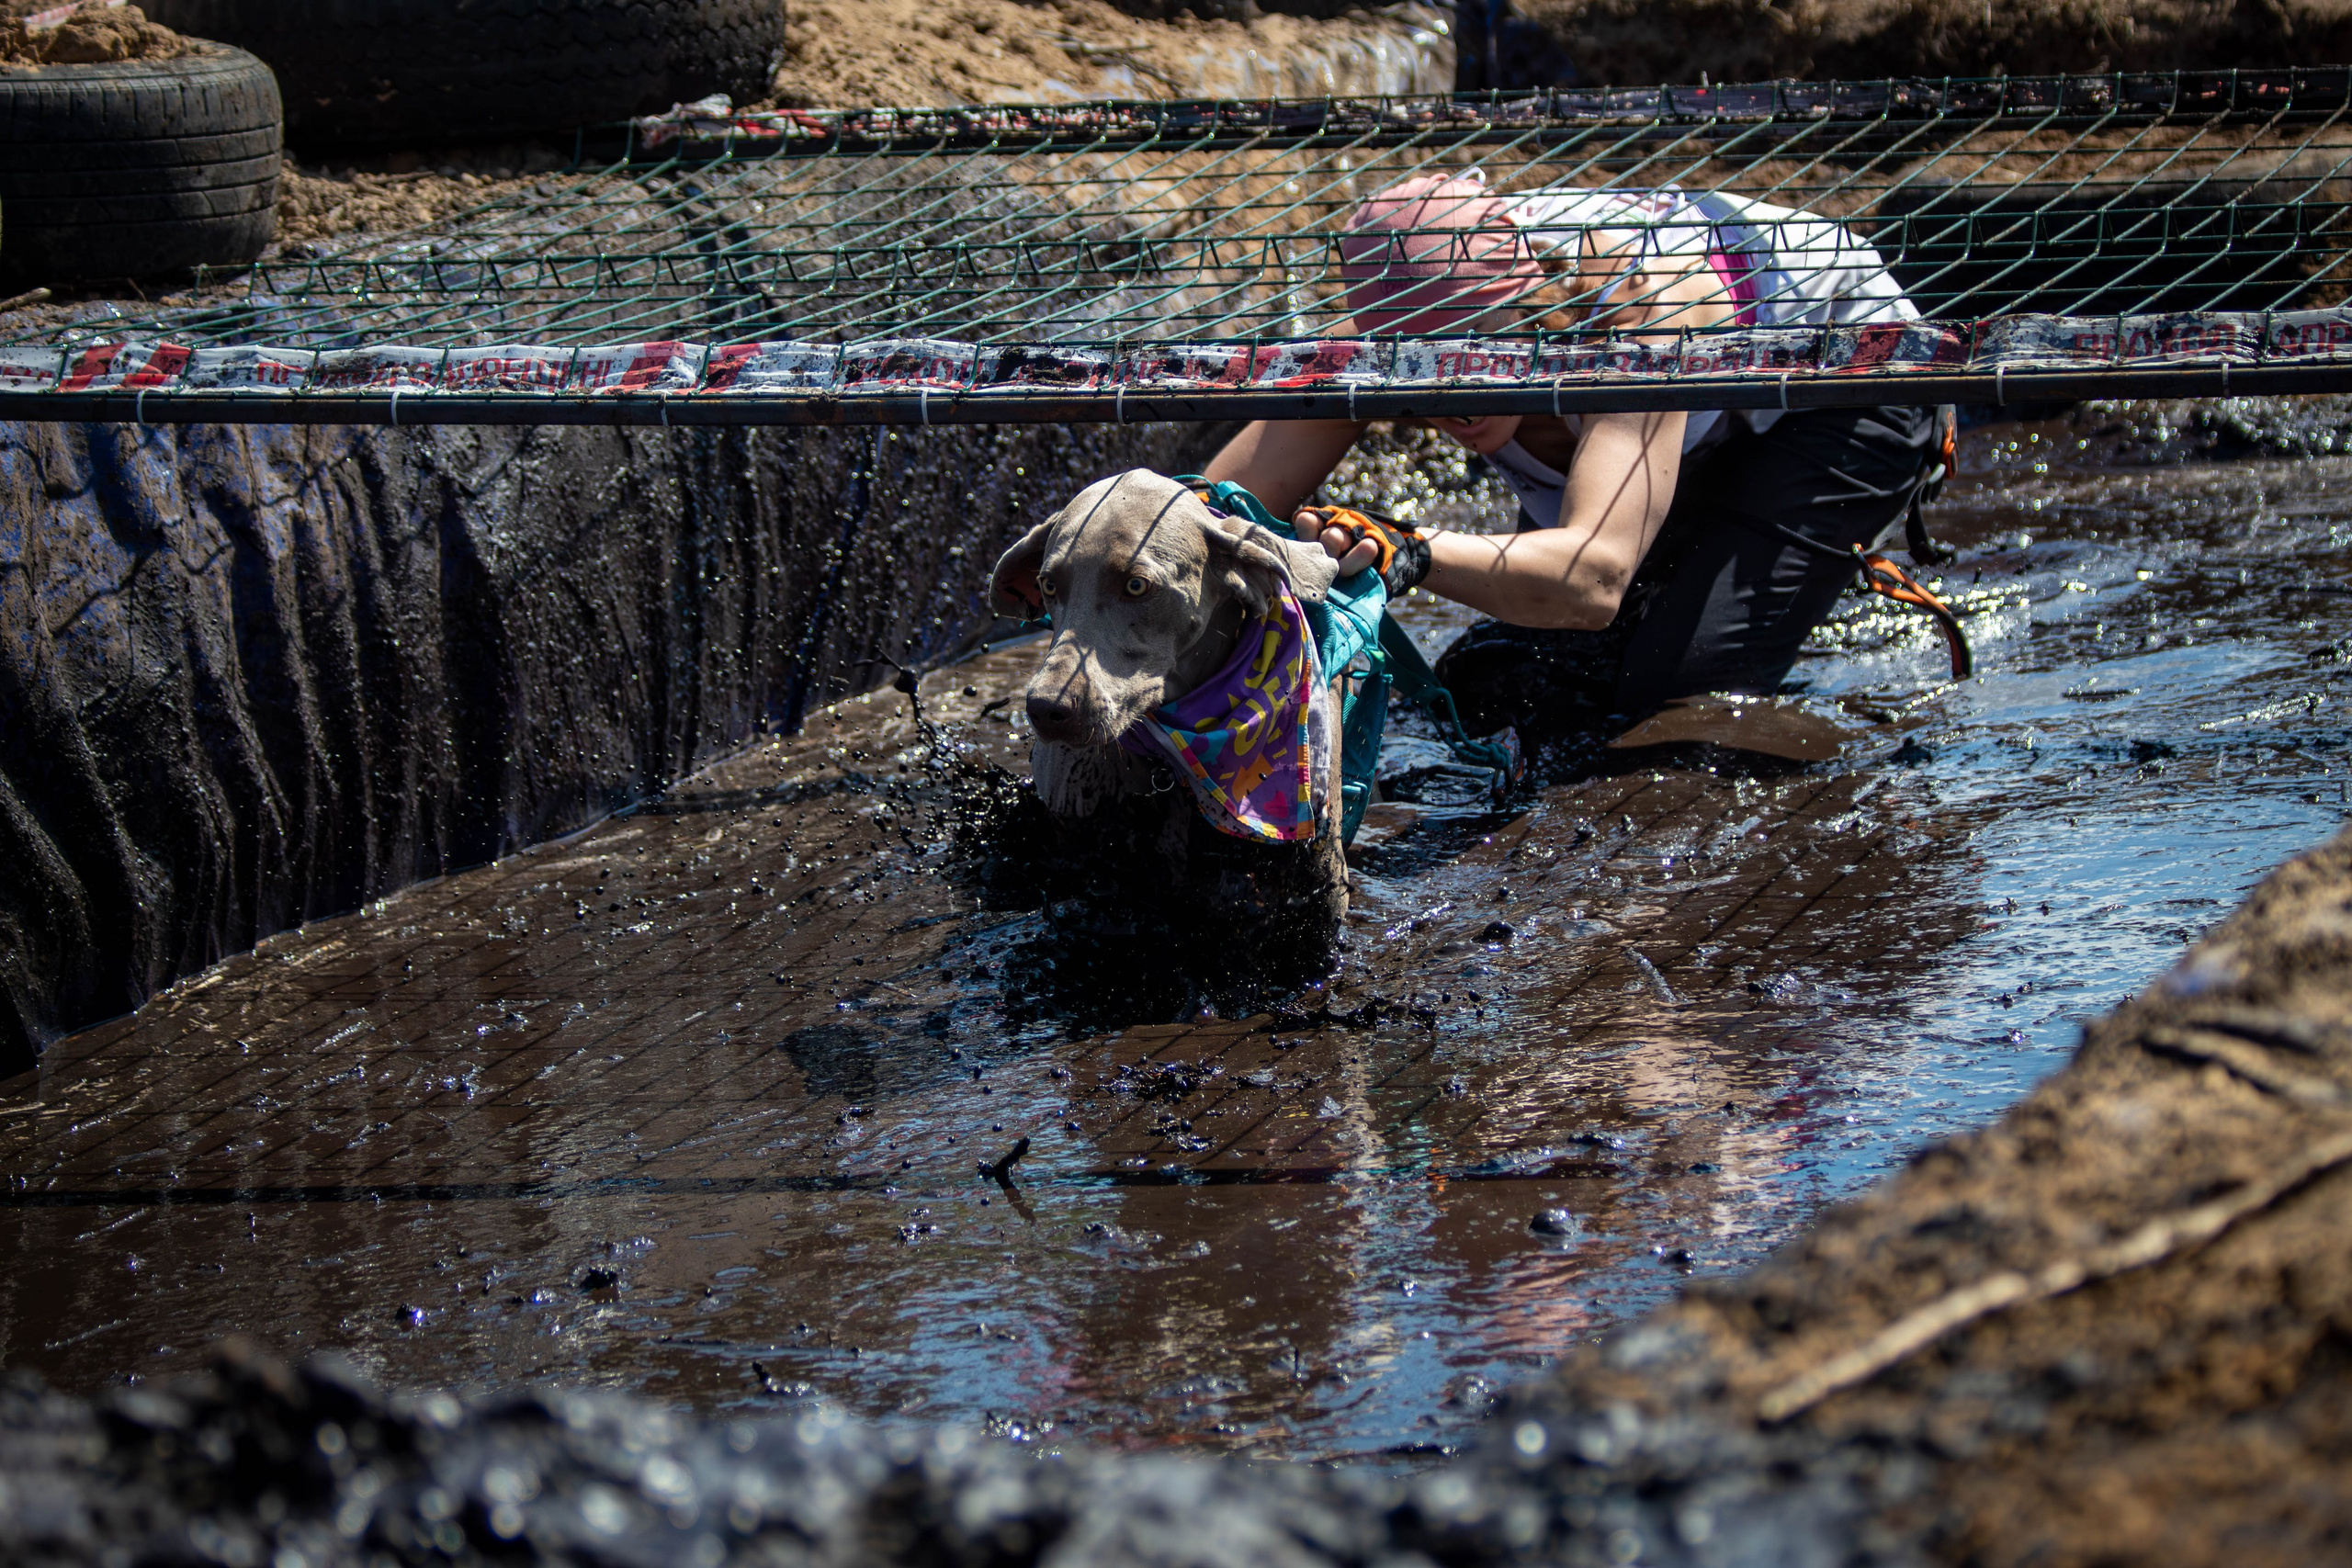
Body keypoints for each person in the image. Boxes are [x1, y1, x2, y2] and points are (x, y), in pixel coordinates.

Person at [1200, 169, 1950, 764]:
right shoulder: (1399, 321)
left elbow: (1593, 577)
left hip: (1848, 386)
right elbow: (1209, 507)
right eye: (1428, 372)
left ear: (1529, 307)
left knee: (1672, 689)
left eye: (1482, 352)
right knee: (1496, 683)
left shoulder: (1642, 320)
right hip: (1662, 417)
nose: (1455, 397)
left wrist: (1412, 548)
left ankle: (1780, 554)